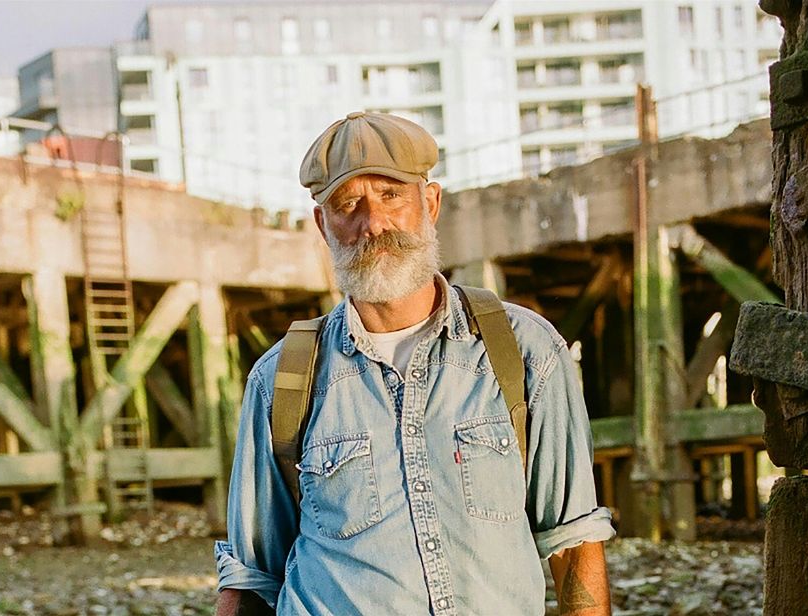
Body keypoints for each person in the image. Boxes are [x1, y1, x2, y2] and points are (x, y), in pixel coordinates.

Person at [213, 111, 615, 616]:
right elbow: (251, 578)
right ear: (322, 224)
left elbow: (574, 541)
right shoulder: (281, 380)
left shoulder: (525, 350)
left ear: (430, 202)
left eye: (391, 195)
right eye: (347, 204)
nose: (372, 223)